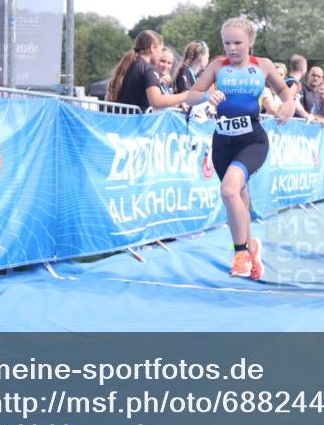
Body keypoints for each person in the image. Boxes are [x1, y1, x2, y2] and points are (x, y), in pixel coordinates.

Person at [184, 16, 297, 279]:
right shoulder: (217, 66)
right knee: (238, 197)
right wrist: (205, 95)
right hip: (222, 142)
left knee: (229, 189)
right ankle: (251, 245)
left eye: (238, 42)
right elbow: (191, 94)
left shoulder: (264, 66)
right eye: (227, 43)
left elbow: (285, 93)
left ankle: (241, 253)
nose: (232, 48)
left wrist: (289, 105)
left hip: (252, 140)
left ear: (250, 42)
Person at [105, 30, 190, 111]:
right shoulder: (149, 69)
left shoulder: (130, 63)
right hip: (137, 123)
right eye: (160, 50)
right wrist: (187, 95)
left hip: (123, 121)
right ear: (153, 48)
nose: (161, 55)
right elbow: (157, 101)